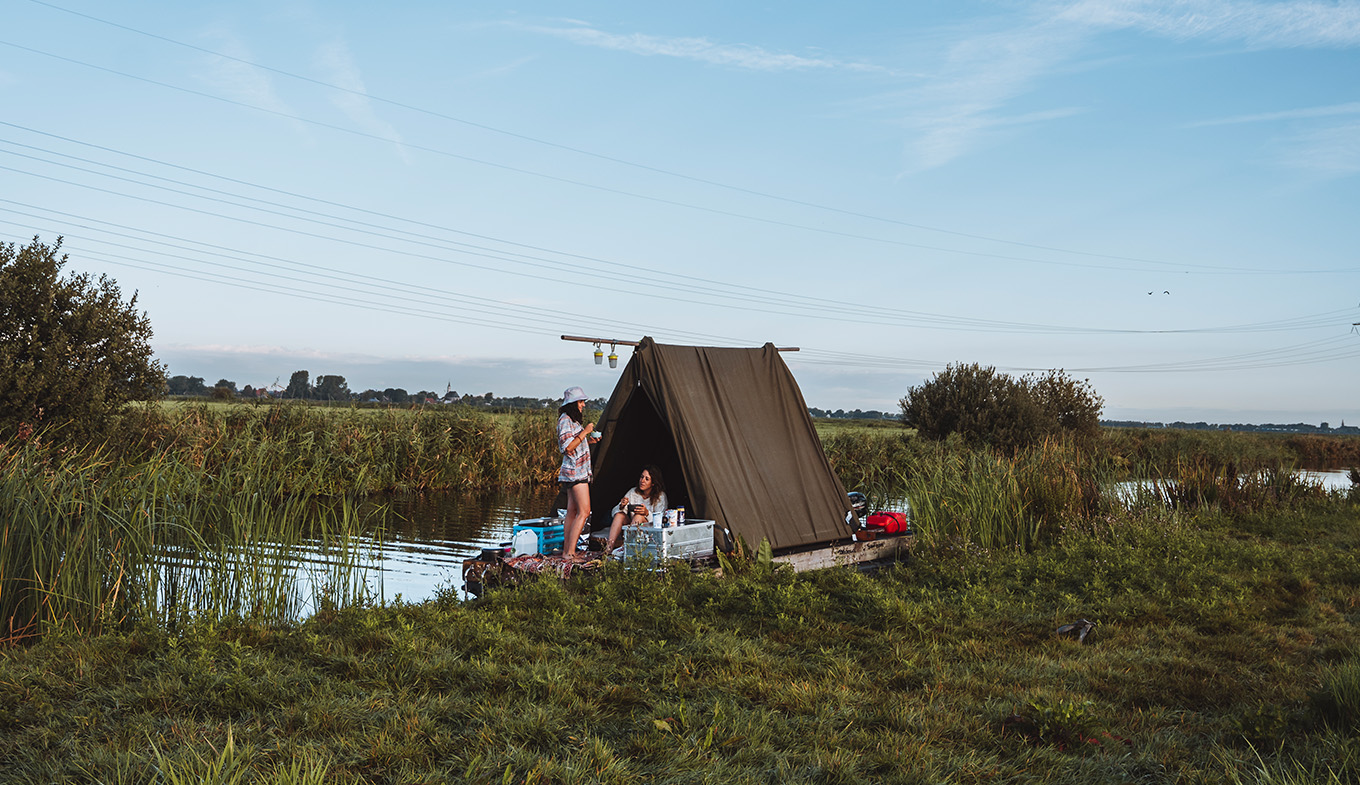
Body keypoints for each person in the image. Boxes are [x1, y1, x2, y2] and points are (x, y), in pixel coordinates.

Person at [557, 386, 597, 561]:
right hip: (575, 473)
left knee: (572, 512)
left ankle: (567, 551)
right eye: (581, 402)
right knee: (584, 511)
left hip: (577, 472)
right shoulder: (565, 420)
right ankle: (570, 553)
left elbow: (575, 444)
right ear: (573, 403)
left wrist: (588, 440)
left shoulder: (572, 421)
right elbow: (567, 447)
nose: (583, 405)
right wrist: (585, 432)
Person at [605, 465, 668, 553]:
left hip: (649, 533)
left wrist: (646, 513)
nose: (642, 481)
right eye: (641, 477)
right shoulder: (633, 492)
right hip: (631, 527)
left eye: (647, 479)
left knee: (638, 516)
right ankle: (608, 549)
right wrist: (622, 506)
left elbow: (659, 520)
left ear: (653, 483)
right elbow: (614, 512)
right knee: (619, 515)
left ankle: (628, 549)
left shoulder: (660, 496)